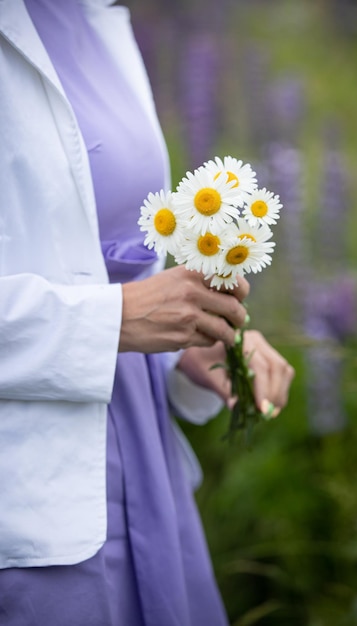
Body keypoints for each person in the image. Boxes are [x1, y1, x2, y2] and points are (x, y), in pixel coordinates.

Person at [0, 1, 295, 625]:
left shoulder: (96, 13)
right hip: (24, 504)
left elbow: (95, 251)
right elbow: (105, 302)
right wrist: (110, 322)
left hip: (143, 462)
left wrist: (183, 342)